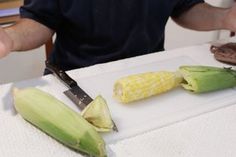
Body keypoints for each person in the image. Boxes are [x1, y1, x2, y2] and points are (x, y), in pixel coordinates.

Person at [1, 0, 236, 73]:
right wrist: (10, 38)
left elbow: (184, 7)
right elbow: (41, 19)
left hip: (149, 71)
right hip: (76, 77)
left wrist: (225, 18)